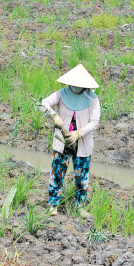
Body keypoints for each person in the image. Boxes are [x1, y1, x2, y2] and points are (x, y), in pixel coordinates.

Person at [39, 64, 101, 217]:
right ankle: (53, 205)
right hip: (62, 142)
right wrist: (54, 115)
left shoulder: (92, 99)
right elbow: (42, 103)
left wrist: (79, 133)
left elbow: (95, 121)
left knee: (81, 176)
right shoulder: (61, 94)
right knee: (57, 173)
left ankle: (80, 207)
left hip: (82, 144)